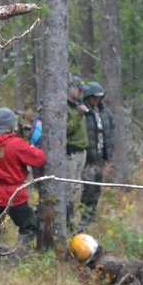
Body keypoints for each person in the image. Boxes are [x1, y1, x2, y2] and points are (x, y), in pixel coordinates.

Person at [0, 107, 46, 251]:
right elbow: (38, 159)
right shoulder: (16, 144)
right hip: (14, 195)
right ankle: (19, 255)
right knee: (29, 226)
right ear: (11, 124)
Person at [79, 80, 116, 227]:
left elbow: (111, 129)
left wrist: (109, 150)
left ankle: (91, 214)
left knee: (97, 187)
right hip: (87, 156)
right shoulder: (82, 111)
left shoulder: (104, 111)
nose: (96, 100)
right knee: (88, 187)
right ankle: (83, 217)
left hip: (101, 155)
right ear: (88, 97)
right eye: (94, 97)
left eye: (99, 97)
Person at [64, 86, 92, 225]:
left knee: (76, 187)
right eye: (78, 89)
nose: (80, 92)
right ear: (70, 88)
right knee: (69, 187)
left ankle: (73, 218)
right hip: (71, 152)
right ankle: (67, 220)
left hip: (82, 151)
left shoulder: (78, 106)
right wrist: (78, 116)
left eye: (82, 90)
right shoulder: (65, 108)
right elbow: (66, 130)